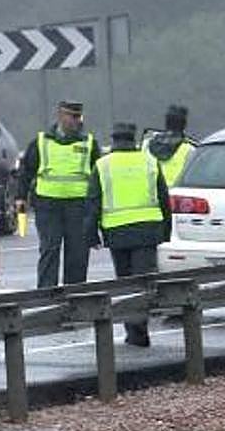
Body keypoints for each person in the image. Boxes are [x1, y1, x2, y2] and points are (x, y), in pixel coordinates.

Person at [86, 122, 171, 346]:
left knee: (124, 283)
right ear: (133, 140)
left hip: (117, 232)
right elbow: (164, 199)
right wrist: (166, 231)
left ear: (113, 141)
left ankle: (134, 331)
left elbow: (92, 202)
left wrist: (91, 235)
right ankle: (138, 330)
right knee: (142, 283)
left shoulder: (103, 165)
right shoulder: (150, 162)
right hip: (147, 230)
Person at [15, 101, 100, 288]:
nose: (76, 121)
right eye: (72, 116)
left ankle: (75, 296)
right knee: (49, 251)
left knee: (77, 254)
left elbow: (97, 177)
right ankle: (46, 297)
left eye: (79, 117)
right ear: (61, 116)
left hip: (78, 207)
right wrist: (20, 198)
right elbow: (26, 172)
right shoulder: (41, 142)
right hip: (48, 206)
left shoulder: (89, 144)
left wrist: (96, 209)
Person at [142, 104, 196, 187]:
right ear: (184, 125)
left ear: (166, 122)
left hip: (151, 192)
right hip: (173, 195)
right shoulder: (189, 150)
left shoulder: (146, 144)